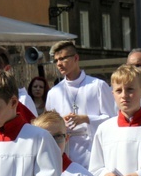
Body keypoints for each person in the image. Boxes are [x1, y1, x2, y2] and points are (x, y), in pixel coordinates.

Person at [46, 40, 116, 168]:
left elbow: (112, 120)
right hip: (65, 151)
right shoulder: (54, 92)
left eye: (63, 59)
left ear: (76, 58)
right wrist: (61, 122)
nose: (59, 64)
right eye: (56, 60)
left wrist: (86, 119)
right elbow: (48, 124)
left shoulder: (97, 86)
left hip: (92, 149)